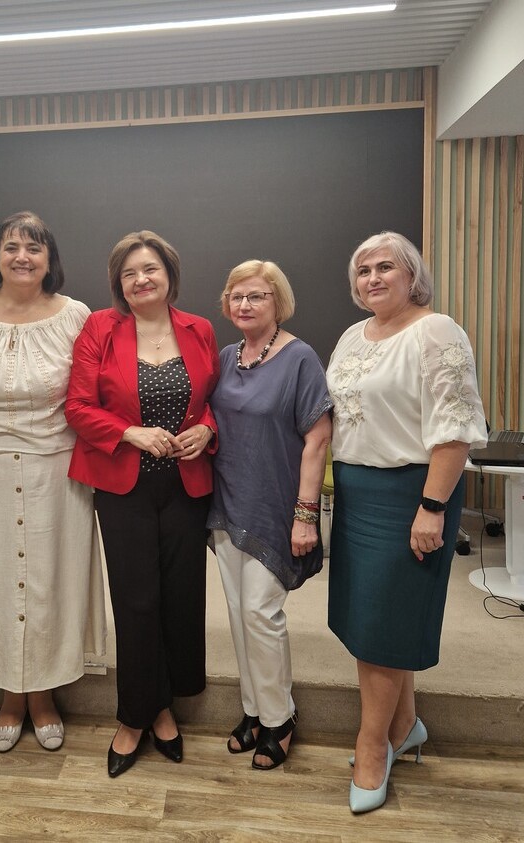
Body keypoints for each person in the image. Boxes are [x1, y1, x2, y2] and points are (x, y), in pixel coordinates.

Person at [326, 232, 487, 813]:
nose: (372, 277)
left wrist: (433, 507)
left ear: (412, 275)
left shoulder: (436, 330)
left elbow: (456, 428)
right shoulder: (352, 335)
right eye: (363, 269)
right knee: (373, 617)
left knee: (380, 623)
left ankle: (373, 747)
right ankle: (405, 725)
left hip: (411, 493)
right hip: (356, 491)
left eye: (385, 266)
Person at [0, 211, 105, 754]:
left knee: (52, 582)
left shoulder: (75, 316)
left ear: (49, 259)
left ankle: (44, 696)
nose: (22, 257)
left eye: (34, 248)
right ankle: (10, 696)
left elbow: (94, 392)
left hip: (57, 471)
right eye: (12, 246)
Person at [65, 230, 219, 778]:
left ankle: (165, 707)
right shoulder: (99, 329)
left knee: (180, 597)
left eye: (150, 268)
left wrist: (208, 429)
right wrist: (129, 432)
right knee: (135, 601)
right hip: (123, 487)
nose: (140, 279)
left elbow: (216, 401)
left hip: (185, 486)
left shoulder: (199, 329)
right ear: (118, 284)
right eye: (129, 273)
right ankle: (134, 717)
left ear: (169, 274)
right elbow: (77, 406)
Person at [207, 259, 332, 771]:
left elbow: (318, 439)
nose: (245, 304)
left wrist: (306, 516)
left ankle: (281, 718)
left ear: (278, 302)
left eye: (256, 296)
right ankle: (254, 711)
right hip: (228, 501)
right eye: (236, 296)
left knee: (262, 612)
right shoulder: (226, 356)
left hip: (276, 504)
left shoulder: (300, 358)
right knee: (239, 613)